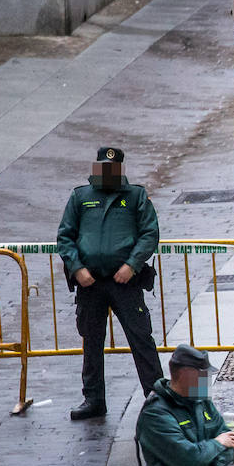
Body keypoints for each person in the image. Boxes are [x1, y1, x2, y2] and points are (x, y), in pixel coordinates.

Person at [57, 146, 164, 420]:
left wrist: (132, 265)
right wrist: (77, 268)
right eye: (103, 166)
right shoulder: (81, 196)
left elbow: (150, 233)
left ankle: (157, 399)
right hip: (90, 284)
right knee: (91, 342)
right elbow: (65, 236)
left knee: (141, 339)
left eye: (112, 168)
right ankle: (93, 400)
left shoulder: (136, 195)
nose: (107, 172)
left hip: (125, 282)